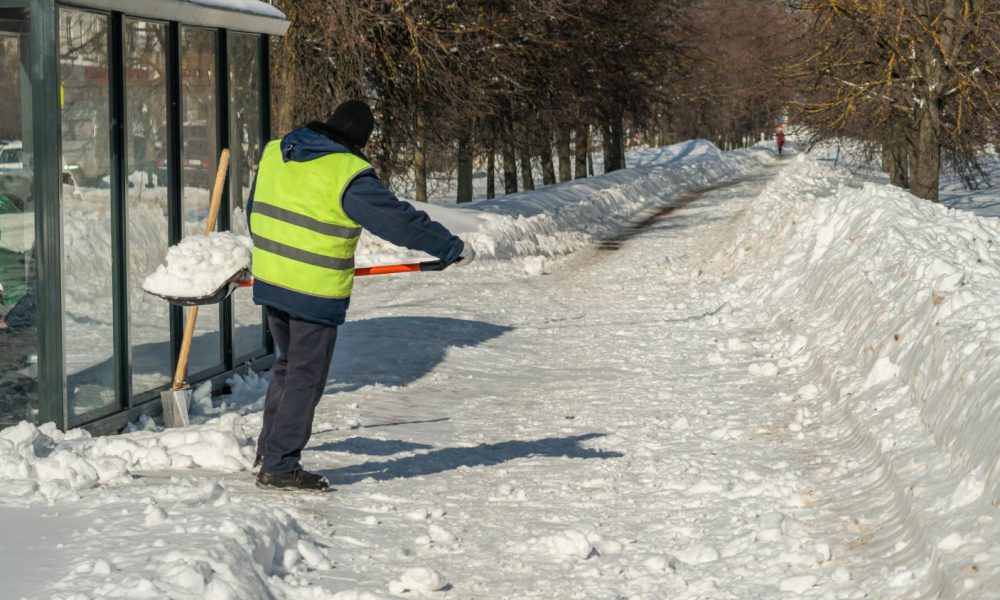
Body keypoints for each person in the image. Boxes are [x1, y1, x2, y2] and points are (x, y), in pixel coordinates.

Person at [246, 99, 475, 491]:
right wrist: (449, 246)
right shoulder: (345, 172)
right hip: (311, 290)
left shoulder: (277, 152)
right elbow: (396, 220)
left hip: (271, 278)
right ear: (360, 140)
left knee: (288, 366)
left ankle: (269, 451)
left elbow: (255, 209)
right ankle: (280, 466)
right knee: (304, 376)